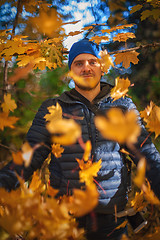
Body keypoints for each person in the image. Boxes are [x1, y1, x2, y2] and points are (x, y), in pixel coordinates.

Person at [0, 38, 160, 240]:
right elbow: (28, 157)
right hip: (64, 220)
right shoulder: (53, 108)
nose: (86, 68)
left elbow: (147, 155)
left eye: (92, 62)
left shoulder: (122, 106)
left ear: (102, 68)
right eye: (79, 63)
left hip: (112, 222)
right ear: (71, 71)